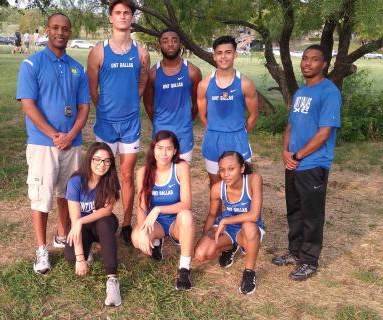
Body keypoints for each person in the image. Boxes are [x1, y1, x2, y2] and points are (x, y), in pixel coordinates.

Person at [16, 13, 90, 274]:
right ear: (47, 31)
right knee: (41, 196)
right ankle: (41, 249)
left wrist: (71, 135)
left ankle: (62, 234)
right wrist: (54, 134)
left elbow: (84, 107)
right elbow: (28, 105)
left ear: (70, 33)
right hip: (42, 144)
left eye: (66, 29)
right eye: (56, 28)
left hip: (72, 143)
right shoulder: (31, 64)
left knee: (67, 193)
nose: (61, 32)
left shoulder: (77, 68)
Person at [272, 45, 341, 281]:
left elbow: (324, 132)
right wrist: (284, 151)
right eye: (304, 58)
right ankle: (294, 252)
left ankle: (309, 261)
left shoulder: (329, 92)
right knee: (294, 210)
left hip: (313, 164)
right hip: (293, 163)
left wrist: (298, 155)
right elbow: (290, 125)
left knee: (312, 215)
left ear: (324, 64)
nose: (307, 63)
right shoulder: (301, 92)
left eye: (314, 59)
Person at [87, 0, 150, 245]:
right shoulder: (98, 51)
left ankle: (125, 222)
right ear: (110, 18)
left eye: (127, 13)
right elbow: (93, 89)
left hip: (131, 125)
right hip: (106, 124)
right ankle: (101, 219)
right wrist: (105, 109)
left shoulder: (141, 51)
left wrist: (132, 102)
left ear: (132, 18)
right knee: (102, 174)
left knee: (126, 174)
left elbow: (142, 82)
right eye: (118, 13)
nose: (123, 17)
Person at [131, 130, 195, 291]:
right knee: (137, 239)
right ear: (153, 149)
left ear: (175, 151)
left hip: (176, 221)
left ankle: (184, 268)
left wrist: (158, 209)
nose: (163, 153)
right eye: (159, 148)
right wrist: (144, 232)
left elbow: (186, 204)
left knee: (187, 216)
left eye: (168, 148)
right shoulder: (143, 172)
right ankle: (157, 241)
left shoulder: (180, 167)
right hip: (156, 224)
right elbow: (141, 206)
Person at [194, 151, 265, 295]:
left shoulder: (254, 180)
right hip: (228, 228)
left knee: (249, 227)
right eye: (222, 170)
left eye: (231, 169)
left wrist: (226, 220)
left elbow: (254, 215)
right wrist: (204, 238)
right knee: (201, 254)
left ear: (242, 168)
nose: (226, 174)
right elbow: (212, 215)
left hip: (249, 227)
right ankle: (231, 247)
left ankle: (249, 273)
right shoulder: (217, 188)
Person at [65, 142, 122, 306]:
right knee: (71, 257)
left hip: (102, 223)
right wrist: (80, 258)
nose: (101, 165)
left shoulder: (110, 179)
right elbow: (75, 220)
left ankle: (112, 279)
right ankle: (87, 250)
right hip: (81, 226)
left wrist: (81, 220)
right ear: (89, 160)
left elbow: (107, 210)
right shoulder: (76, 181)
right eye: (97, 159)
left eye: (106, 161)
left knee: (104, 223)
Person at [197, 36, 259, 187]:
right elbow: (202, 115)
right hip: (213, 139)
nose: (223, 56)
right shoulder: (204, 84)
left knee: (242, 184)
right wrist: (215, 130)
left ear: (235, 54)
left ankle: (242, 211)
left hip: (237, 138)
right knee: (215, 183)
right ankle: (215, 212)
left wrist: (240, 132)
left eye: (228, 52)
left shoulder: (245, 83)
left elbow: (253, 115)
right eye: (219, 53)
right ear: (214, 56)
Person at [143, 29, 202, 163]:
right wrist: (158, 122)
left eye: (174, 41)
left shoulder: (193, 72)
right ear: (159, 46)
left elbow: (196, 103)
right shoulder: (152, 74)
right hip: (161, 132)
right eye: (165, 41)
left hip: (184, 134)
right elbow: (148, 104)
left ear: (180, 45)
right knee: (161, 176)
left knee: (183, 175)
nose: (170, 44)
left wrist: (186, 121)